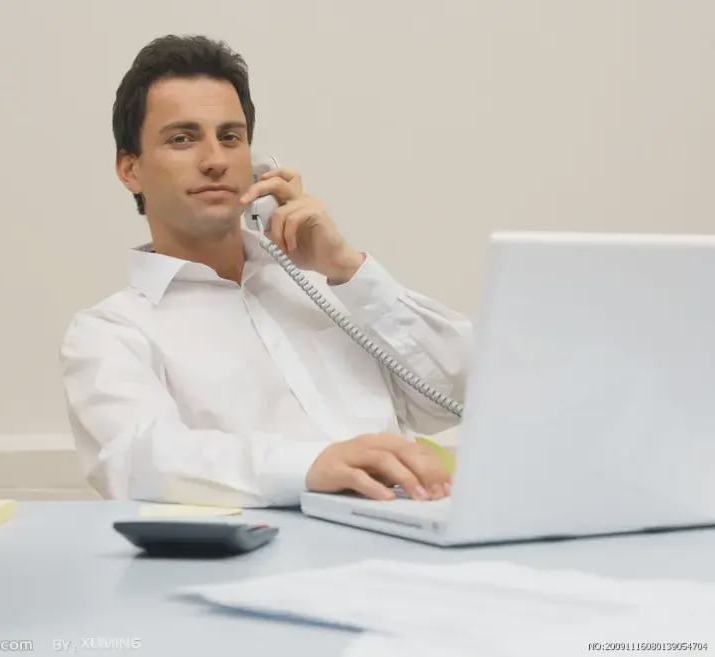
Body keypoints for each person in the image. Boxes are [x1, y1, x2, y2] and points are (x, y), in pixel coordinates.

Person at [59, 34, 474, 508]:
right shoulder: (110, 332)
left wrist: (347, 267)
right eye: (182, 139)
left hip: (415, 531)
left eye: (230, 137)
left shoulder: (331, 291)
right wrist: (313, 466)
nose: (215, 160)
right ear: (130, 170)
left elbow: (461, 394)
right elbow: (139, 461)